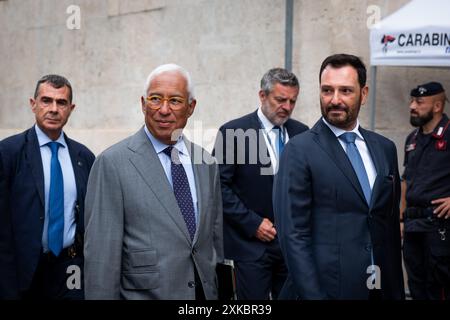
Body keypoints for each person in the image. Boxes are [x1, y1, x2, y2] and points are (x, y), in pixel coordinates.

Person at [84, 64, 223, 300]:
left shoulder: (206, 163)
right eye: (155, 99)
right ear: (143, 104)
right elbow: (101, 258)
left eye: (175, 101)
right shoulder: (112, 163)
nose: (164, 110)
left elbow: (213, 242)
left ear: (191, 107)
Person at [273, 54, 405, 299]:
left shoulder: (385, 148)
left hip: (380, 288)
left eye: (345, 91)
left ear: (363, 94)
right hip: (328, 291)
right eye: (327, 90)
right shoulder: (299, 150)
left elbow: (388, 227)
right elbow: (293, 236)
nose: (335, 100)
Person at [213, 68, 308, 299]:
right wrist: (253, 223)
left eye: (292, 101)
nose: (286, 106)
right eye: (280, 99)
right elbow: (219, 187)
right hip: (251, 246)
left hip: (292, 246)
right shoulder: (233, 132)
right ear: (262, 96)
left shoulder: (303, 133)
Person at [0, 74, 95, 299]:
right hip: (25, 271)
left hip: (70, 268)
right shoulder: (8, 154)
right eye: (46, 100)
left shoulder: (84, 157)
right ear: (33, 105)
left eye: (61, 102)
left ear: (71, 108)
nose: (53, 109)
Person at [401, 81, 450, 300]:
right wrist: (400, 220)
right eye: (412, 101)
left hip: (440, 228)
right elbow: (405, 182)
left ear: (438, 106)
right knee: (416, 286)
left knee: (438, 288)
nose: (412, 106)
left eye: (419, 102)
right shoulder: (412, 139)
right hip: (413, 226)